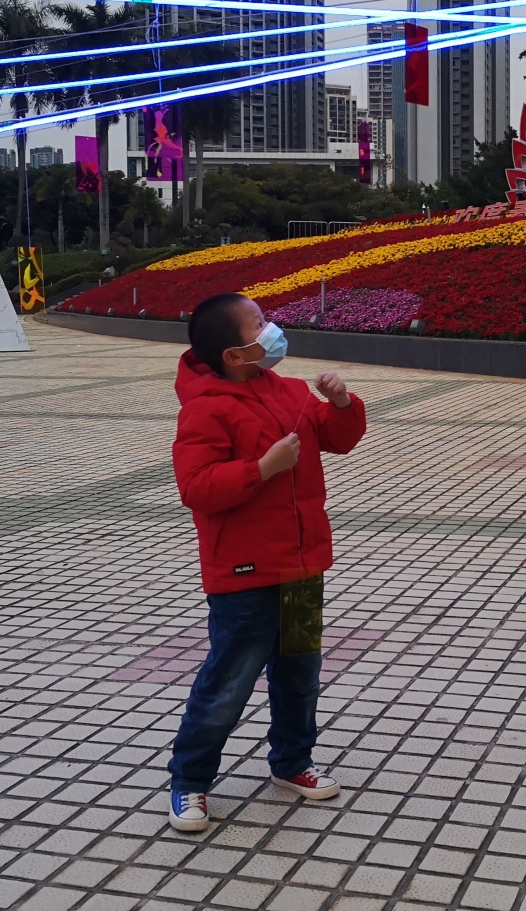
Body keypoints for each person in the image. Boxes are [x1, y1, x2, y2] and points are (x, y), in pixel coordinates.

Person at [166, 292, 367, 833]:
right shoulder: (206, 408)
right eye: (259, 324)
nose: (272, 328)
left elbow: (339, 439)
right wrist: (262, 468)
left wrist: (342, 403)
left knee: (300, 675)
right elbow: (196, 487)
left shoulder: (288, 389)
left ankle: (292, 761)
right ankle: (189, 780)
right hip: (244, 575)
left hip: (301, 567)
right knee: (228, 684)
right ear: (234, 355)